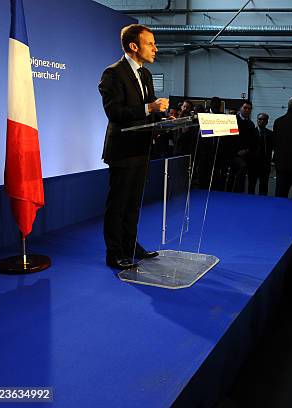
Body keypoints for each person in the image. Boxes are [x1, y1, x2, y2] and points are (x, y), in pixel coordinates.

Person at [98, 24, 168, 270]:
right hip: (122, 150)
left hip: (142, 148)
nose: (155, 49)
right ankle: (114, 253)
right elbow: (114, 112)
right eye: (150, 44)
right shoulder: (113, 73)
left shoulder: (146, 74)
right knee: (118, 204)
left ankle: (130, 246)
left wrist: (164, 118)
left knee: (133, 204)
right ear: (134, 46)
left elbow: (148, 110)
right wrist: (151, 108)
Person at [248, 113, 274, 195]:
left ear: (267, 122)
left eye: (264, 119)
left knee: (264, 186)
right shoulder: (251, 132)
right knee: (251, 186)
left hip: (265, 164)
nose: (262, 121)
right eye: (260, 119)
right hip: (253, 164)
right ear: (257, 120)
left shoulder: (271, 134)